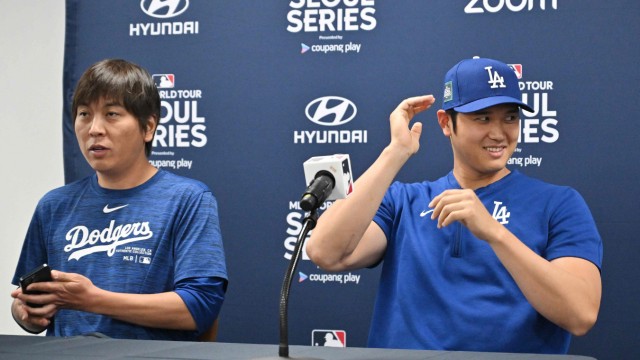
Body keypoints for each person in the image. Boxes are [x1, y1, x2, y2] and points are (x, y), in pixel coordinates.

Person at [306, 57, 602, 353]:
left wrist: (493, 232)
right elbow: (326, 252)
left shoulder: (559, 203)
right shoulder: (404, 201)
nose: (499, 133)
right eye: (483, 118)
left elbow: (580, 314)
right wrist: (396, 152)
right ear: (446, 123)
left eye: (510, 117)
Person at [10, 59, 228, 341]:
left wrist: (92, 299)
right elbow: (29, 309)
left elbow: (200, 308)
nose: (94, 129)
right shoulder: (54, 205)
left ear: (148, 127)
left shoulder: (188, 199)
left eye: (111, 114)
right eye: (84, 114)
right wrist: (26, 311)